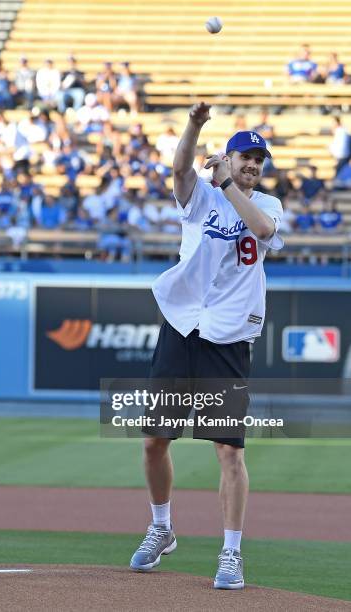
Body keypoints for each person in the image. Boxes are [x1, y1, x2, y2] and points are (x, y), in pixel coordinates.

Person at [129, 103, 283, 590]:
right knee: (154, 441)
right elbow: (178, 169)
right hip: (182, 324)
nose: (253, 164)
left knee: (229, 452)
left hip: (229, 335)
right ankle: (161, 527)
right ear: (228, 156)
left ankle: (231, 553)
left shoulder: (267, 205)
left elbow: (261, 231)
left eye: (259, 158)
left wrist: (227, 184)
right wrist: (194, 126)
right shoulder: (200, 196)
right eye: (245, 156)